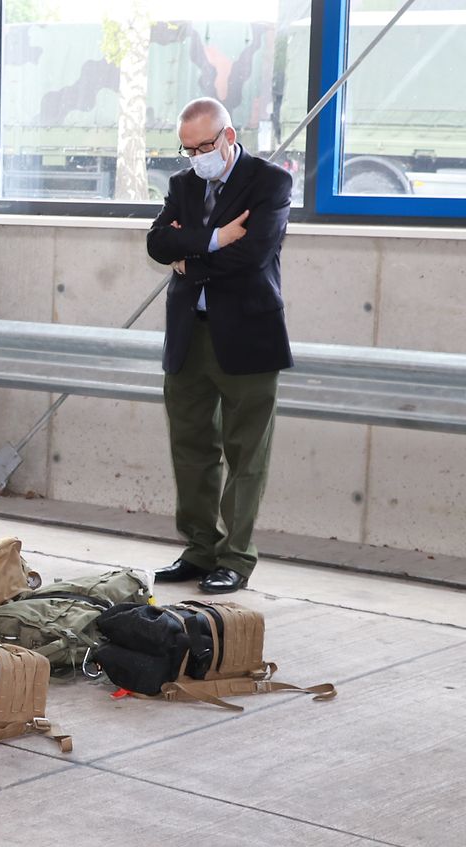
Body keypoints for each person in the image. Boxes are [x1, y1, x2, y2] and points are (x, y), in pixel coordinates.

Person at [144, 97, 293, 595]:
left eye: (205, 146)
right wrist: (211, 239)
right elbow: (157, 243)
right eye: (188, 150)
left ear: (229, 136)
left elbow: (253, 255)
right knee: (190, 447)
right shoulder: (183, 184)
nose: (197, 158)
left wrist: (190, 257)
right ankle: (200, 548)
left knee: (246, 452)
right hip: (190, 334)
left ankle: (236, 557)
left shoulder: (270, 181)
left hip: (248, 336)